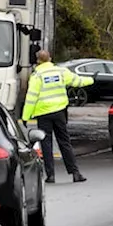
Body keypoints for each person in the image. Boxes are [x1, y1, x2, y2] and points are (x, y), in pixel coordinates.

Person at [21, 50, 93, 183]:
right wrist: (91, 79)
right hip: (60, 112)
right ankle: (75, 173)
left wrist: (25, 116)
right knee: (64, 142)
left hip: (43, 114)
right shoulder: (60, 71)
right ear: (50, 59)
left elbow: (31, 98)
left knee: (46, 144)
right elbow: (77, 81)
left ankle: (51, 175)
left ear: (38, 61)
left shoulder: (37, 76)